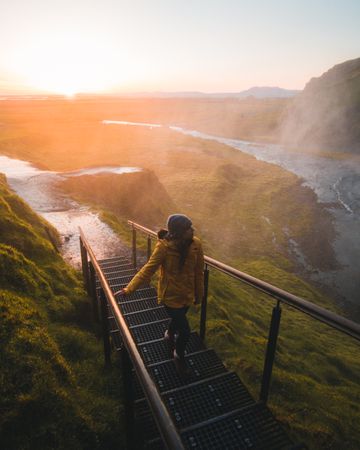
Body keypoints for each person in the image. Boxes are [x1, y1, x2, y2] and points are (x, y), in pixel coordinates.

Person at [115, 214, 204, 377]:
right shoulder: (164, 247)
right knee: (185, 331)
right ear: (179, 231)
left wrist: (200, 294)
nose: (193, 230)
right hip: (170, 296)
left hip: (187, 295)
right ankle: (179, 355)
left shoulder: (196, 244)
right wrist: (129, 289)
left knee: (177, 322)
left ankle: (168, 334)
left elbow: (199, 272)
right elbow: (148, 269)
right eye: (188, 228)